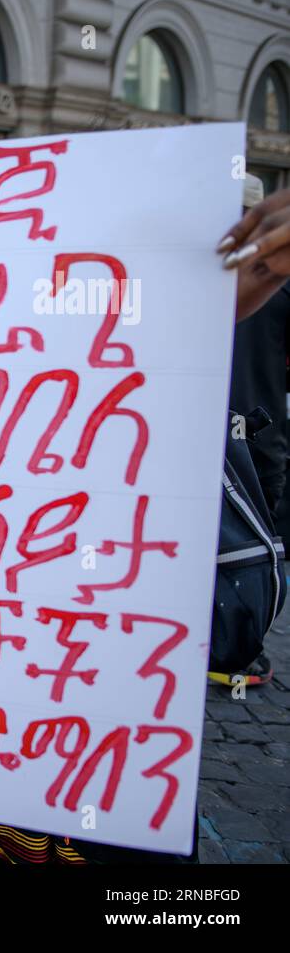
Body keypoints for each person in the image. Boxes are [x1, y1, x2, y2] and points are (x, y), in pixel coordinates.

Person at [220, 175, 288, 687]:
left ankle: (237, 648)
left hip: (253, 438)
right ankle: (237, 649)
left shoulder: (272, 280)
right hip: (254, 435)